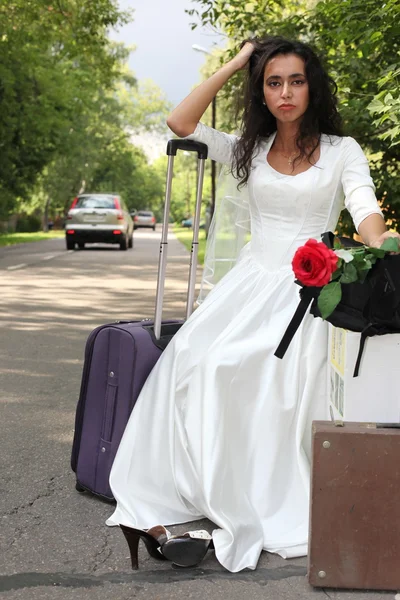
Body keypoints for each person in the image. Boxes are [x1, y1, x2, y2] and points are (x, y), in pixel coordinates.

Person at [106, 36, 400, 573]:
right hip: (250, 284)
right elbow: (180, 122)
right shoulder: (246, 146)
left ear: (312, 87)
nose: (285, 92)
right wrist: (240, 61)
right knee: (200, 361)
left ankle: (261, 494)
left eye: (295, 80)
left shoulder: (342, 149)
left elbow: (365, 212)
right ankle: (197, 488)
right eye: (273, 82)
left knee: (275, 379)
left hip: (311, 288)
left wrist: (383, 246)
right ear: (261, 91)